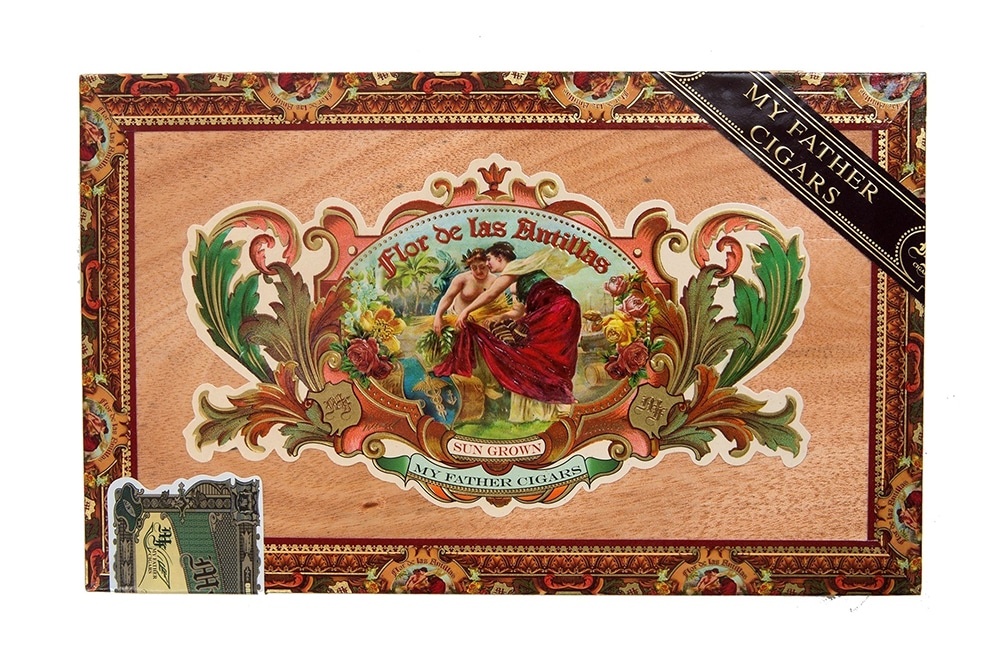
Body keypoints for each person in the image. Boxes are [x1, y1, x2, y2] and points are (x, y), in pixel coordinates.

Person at [433, 241, 584, 422]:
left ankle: (556, 401)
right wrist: (501, 317)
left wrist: (466, 311)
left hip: (557, 311)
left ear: (500, 257)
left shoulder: (514, 267)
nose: (487, 264)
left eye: (489, 259)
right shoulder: (519, 277)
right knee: (546, 357)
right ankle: (556, 405)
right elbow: (517, 312)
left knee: (533, 354)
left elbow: (491, 294)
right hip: (567, 312)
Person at [432, 248, 514, 335]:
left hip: (481, 322)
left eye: (482, 267)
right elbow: (448, 297)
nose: (478, 271)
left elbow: (501, 306)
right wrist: (438, 316)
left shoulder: (495, 281)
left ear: (488, 265)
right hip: (457, 319)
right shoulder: (462, 279)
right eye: (474, 268)